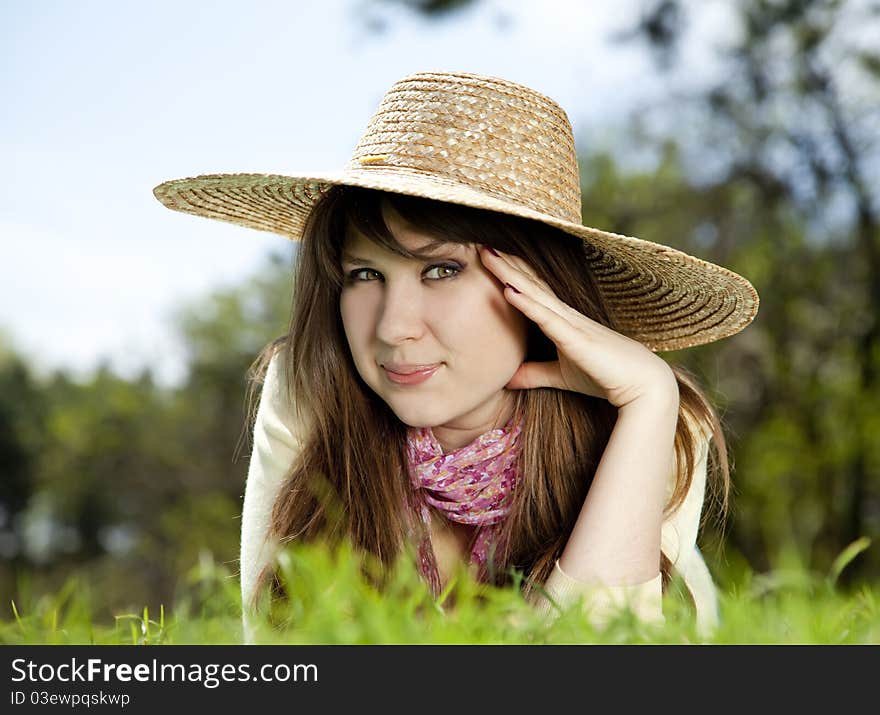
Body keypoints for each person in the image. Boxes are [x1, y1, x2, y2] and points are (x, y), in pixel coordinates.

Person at [152, 70, 759, 644]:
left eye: (441, 269)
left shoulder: (657, 421)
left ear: (537, 290)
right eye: (364, 273)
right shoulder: (309, 390)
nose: (393, 327)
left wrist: (649, 401)